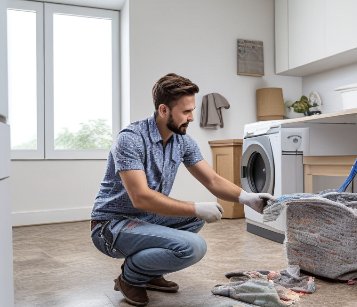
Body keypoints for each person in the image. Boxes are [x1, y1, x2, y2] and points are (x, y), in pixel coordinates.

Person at [90, 73, 274, 306]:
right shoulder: (131, 139)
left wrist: (247, 198)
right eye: (186, 112)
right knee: (193, 246)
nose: (192, 118)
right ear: (164, 110)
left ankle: (149, 272)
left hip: (145, 218)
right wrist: (195, 207)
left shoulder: (182, 141)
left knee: (195, 218)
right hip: (112, 225)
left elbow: (213, 181)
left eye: (192, 110)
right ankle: (131, 277)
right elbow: (141, 197)